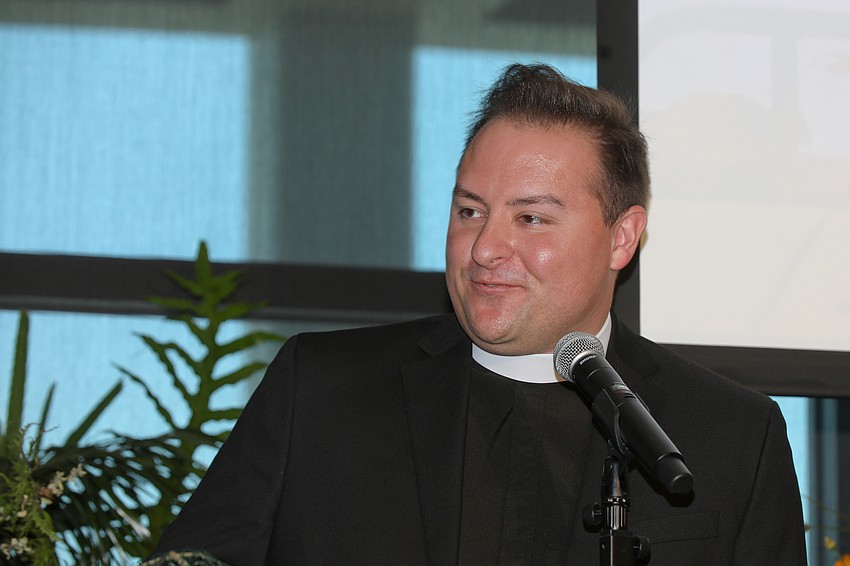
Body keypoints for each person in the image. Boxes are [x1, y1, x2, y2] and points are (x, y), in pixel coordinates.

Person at [150, 64, 807, 565]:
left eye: (530, 218)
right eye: (470, 211)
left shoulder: (731, 436)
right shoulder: (321, 390)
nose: (485, 248)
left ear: (622, 237)